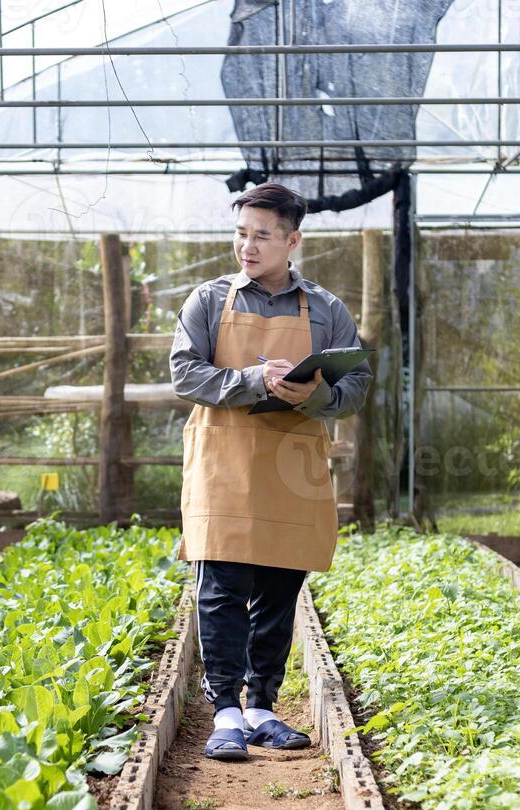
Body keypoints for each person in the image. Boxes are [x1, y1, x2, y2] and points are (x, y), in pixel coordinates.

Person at [170, 182, 371, 761]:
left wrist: (311, 393)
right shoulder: (208, 301)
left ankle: (262, 706)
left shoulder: (327, 309)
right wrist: (256, 381)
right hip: (225, 456)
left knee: (282, 586)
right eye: (241, 234)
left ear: (292, 240)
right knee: (222, 588)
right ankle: (226, 713)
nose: (247, 247)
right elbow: (186, 374)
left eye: (261, 235)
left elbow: (354, 387)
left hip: (293, 462)